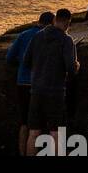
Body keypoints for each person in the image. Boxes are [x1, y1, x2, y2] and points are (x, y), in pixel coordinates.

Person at [23, 8, 79, 156]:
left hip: (36, 91)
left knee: (34, 132)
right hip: (55, 92)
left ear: (54, 20)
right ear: (68, 22)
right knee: (56, 132)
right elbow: (70, 68)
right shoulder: (66, 40)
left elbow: (26, 61)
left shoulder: (37, 36)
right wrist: (76, 66)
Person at [6, 12, 53, 156]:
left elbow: (9, 58)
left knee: (25, 122)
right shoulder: (48, 37)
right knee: (43, 123)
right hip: (40, 84)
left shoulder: (23, 35)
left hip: (22, 83)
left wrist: (21, 65)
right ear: (50, 24)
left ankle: (22, 153)